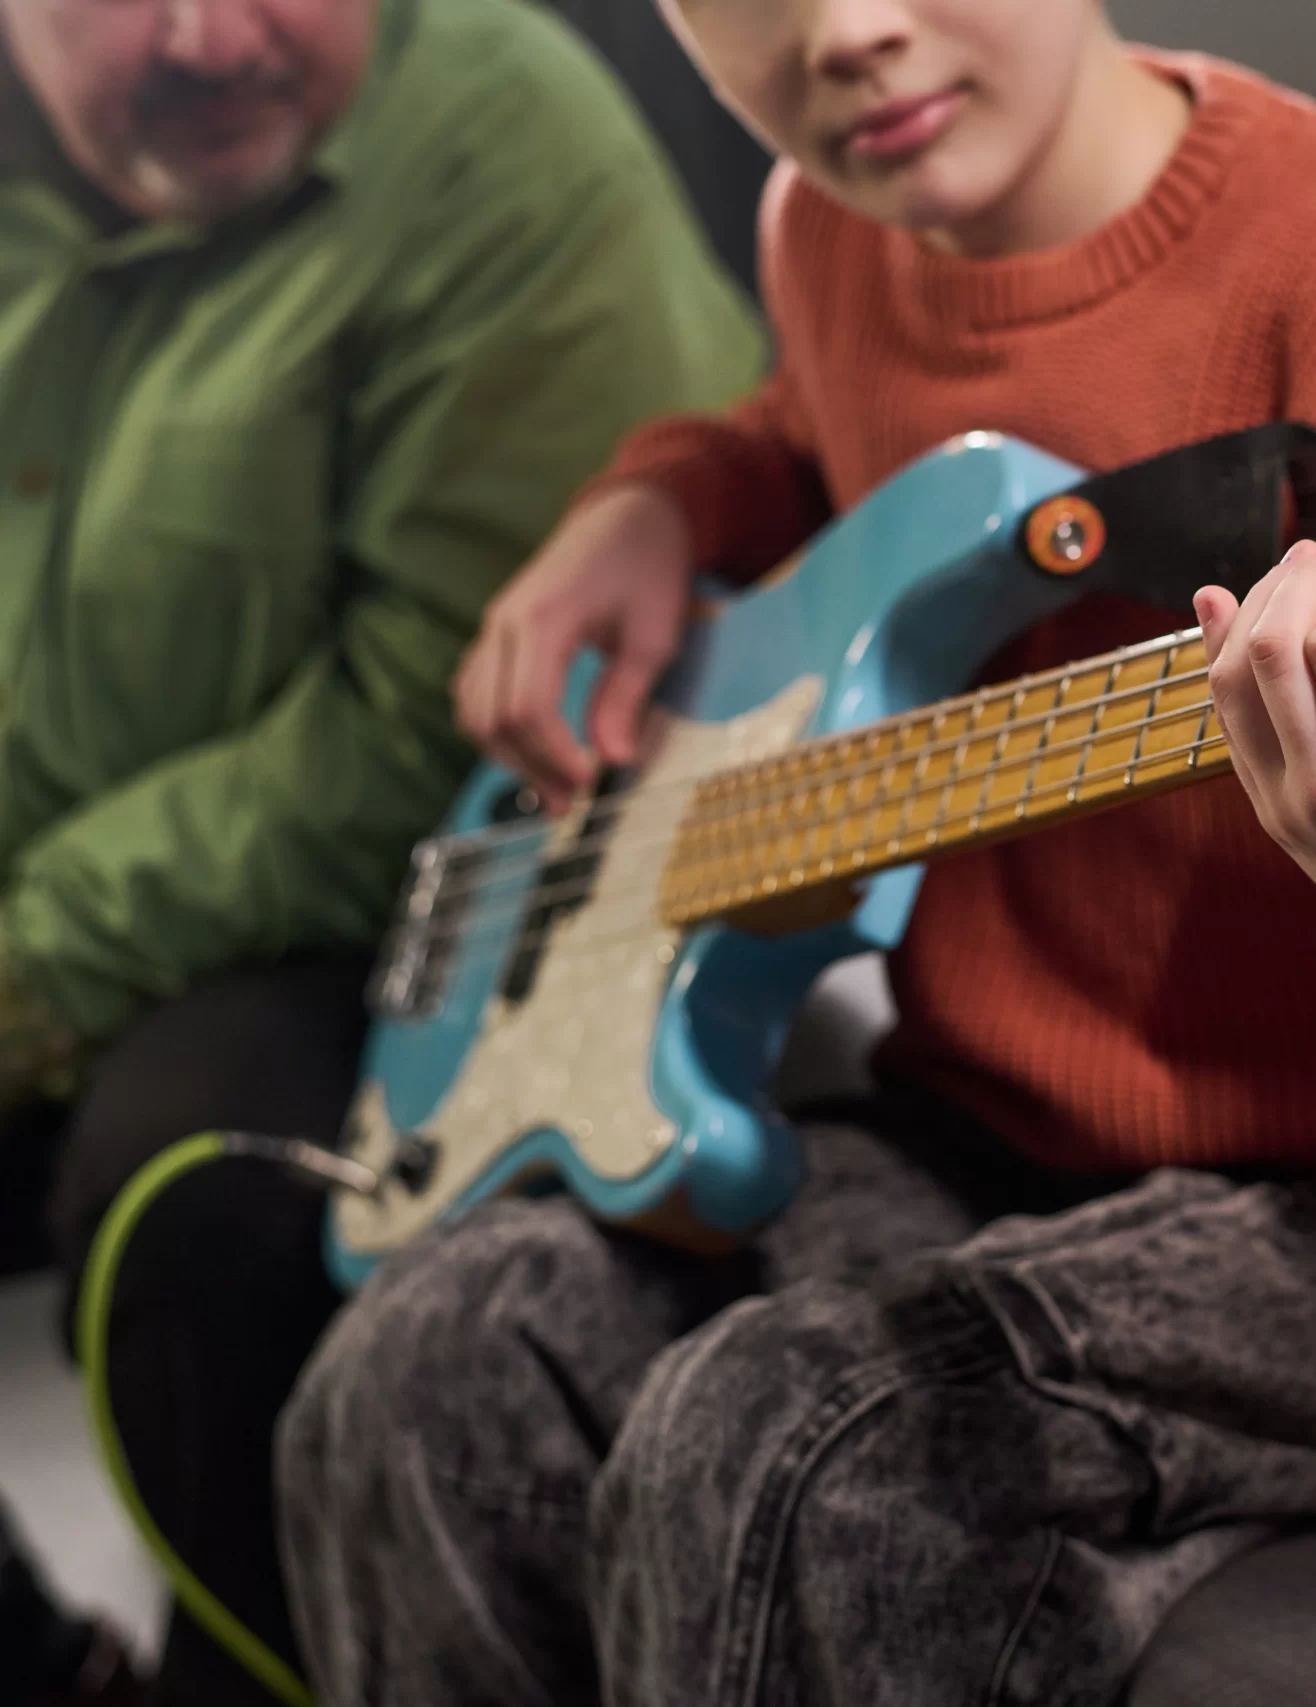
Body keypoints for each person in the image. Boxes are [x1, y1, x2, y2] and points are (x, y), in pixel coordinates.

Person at [276, 0, 1316, 1702]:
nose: (846, 31)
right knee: (425, 1365)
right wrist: (661, 499)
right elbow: (806, 433)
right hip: (1019, 1137)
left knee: (796, 1440)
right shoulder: (831, 225)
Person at [0, 0, 766, 1697]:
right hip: (72, 885)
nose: (210, 38)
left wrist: (29, 968)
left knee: (197, 1195)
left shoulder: (499, 137)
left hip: (441, 902)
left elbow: (426, 727)